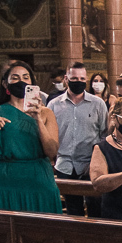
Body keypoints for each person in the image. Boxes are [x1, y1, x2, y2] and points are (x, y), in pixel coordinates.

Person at [0, 61, 62, 213]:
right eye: (15, 78)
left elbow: (52, 151)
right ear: (5, 84)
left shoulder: (46, 113)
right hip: (6, 182)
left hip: (39, 180)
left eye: (25, 77)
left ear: (32, 83)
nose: (21, 81)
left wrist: (38, 120)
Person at [48, 61, 108, 217]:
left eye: (82, 79)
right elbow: (50, 135)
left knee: (95, 207)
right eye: (74, 78)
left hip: (91, 164)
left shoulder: (98, 104)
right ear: (66, 79)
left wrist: (97, 161)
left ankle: (96, 239)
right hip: (65, 164)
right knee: (73, 210)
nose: (79, 82)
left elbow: (104, 135)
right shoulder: (54, 105)